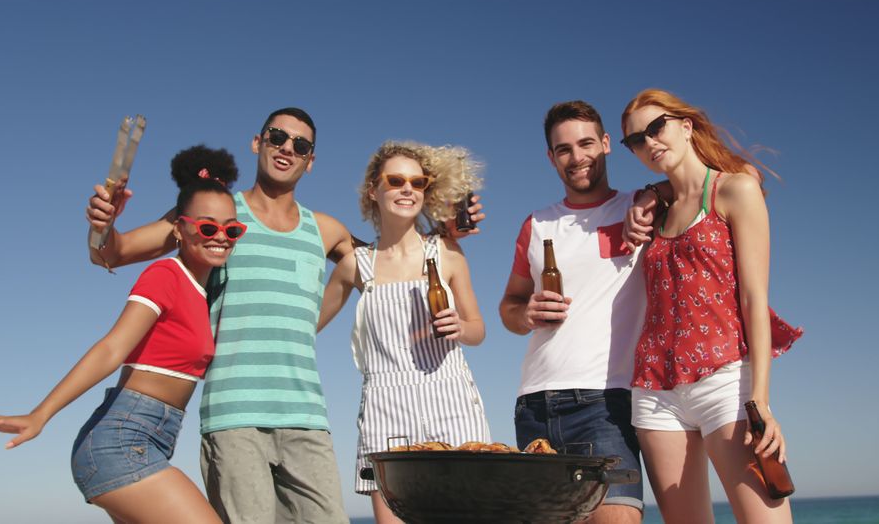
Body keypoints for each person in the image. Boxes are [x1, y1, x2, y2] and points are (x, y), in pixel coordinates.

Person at [84, 108, 483, 523]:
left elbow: (393, 262)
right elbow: (113, 252)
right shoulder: (218, 214)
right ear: (258, 143)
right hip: (233, 415)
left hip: (306, 417)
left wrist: (446, 234)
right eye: (277, 137)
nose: (287, 148)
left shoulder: (326, 230)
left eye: (301, 145)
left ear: (311, 162)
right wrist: (103, 225)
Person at [0, 145, 244, 524]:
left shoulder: (203, 294)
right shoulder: (165, 275)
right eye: (207, 227)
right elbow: (113, 346)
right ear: (179, 228)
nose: (221, 237)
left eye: (232, 229)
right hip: (121, 440)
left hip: (152, 440)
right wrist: (40, 415)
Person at [620, 88, 802, 523]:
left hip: (725, 380)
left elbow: (754, 299)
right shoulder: (654, 213)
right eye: (636, 140)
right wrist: (649, 193)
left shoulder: (734, 190)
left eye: (656, 128)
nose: (649, 142)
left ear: (686, 126)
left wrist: (760, 401)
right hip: (654, 391)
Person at [318, 141, 490, 524]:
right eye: (395, 180)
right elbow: (308, 323)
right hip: (385, 406)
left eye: (418, 181)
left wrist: (461, 328)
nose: (407, 189)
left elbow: (478, 329)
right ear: (373, 191)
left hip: (451, 400)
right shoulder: (353, 266)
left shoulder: (446, 252)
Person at [499, 100, 649, 524]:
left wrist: (655, 193)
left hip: (606, 404)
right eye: (563, 149)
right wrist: (526, 312)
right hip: (533, 407)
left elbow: (697, 181)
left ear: (606, 144)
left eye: (586, 143)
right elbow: (508, 308)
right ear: (551, 158)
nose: (576, 156)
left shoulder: (641, 207)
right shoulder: (537, 225)